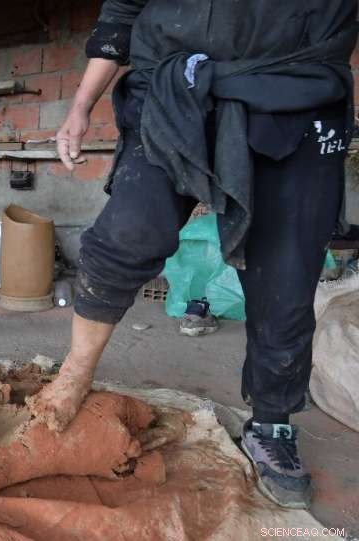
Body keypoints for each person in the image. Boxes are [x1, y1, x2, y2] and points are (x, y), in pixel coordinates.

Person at [32, 1, 358, 510]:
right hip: (176, 92)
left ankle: (272, 422)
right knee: (128, 233)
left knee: (287, 278)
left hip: (298, 92)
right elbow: (122, 14)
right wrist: (79, 108)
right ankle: (74, 372)